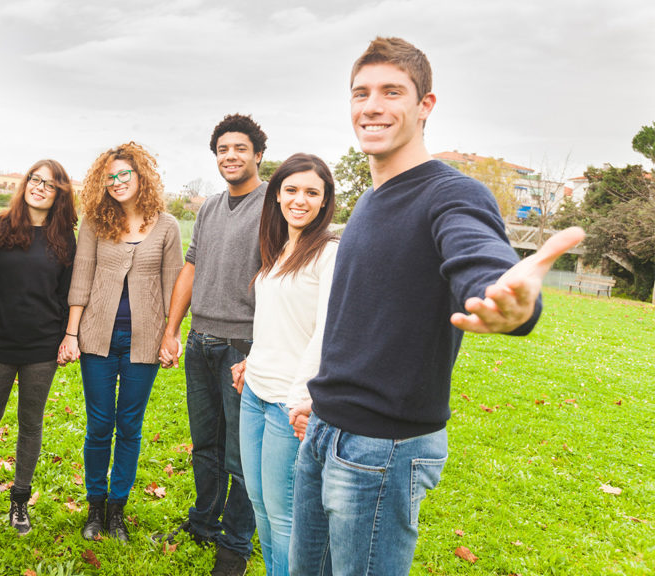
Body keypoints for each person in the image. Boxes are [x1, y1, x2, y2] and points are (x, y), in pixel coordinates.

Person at [288, 37, 585, 576]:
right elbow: (361, 319)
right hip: (326, 429)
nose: (372, 105)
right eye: (361, 92)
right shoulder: (374, 200)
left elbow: (477, 254)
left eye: (391, 92)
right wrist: (324, 397)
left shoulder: (453, 194)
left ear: (425, 105)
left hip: (381, 451)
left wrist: (504, 298)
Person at [158, 114, 267, 576]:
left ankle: (236, 544)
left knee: (241, 454)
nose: (231, 156)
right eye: (223, 150)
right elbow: (191, 267)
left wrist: (263, 348)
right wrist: (172, 328)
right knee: (205, 443)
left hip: (244, 344)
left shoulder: (274, 205)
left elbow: (282, 278)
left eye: (240, 148)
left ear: (258, 155)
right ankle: (203, 522)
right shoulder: (208, 208)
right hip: (202, 342)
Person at [59, 142, 183, 542]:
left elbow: (173, 286)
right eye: (109, 177)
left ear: (140, 176)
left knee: (129, 424)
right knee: (99, 425)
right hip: (97, 337)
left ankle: (117, 510)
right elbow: (81, 277)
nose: (116, 182)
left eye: (123, 175)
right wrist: (72, 333)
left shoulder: (167, 226)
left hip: (143, 340)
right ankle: (94, 508)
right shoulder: (95, 224)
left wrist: (171, 335)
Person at [229, 153, 338, 576]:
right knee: (260, 508)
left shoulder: (329, 252)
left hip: (288, 404)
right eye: (291, 190)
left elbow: (326, 332)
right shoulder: (279, 249)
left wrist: (300, 399)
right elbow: (277, 322)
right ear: (276, 195)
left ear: (325, 201)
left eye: (312, 192)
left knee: (287, 517)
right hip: (254, 393)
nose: (300, 200)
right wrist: (251, 362)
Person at [0, 160, 77, 536]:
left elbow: (64, 296)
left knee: (31, 425)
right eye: (35, 179)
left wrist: (65, 337)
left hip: (41, 348)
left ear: (60, 193)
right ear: (25, 183)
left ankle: (19, 500)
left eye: (50, 184)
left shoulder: (65, 239)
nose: (40, 187)